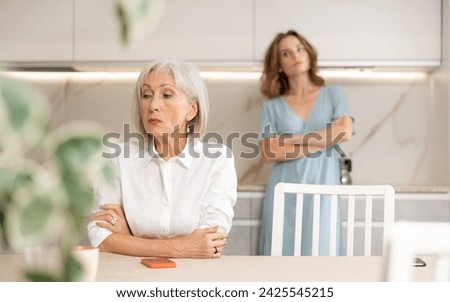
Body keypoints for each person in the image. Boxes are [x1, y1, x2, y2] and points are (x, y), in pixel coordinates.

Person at [87, 58, 237, 259]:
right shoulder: (118, 157)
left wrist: (129, 238)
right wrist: (181, 248)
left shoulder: (218, 159)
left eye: (167, 95)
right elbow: (101, 237)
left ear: (192, 110)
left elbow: (211, 241)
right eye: (146, 95)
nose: (153, 105)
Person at [258, 30, 353, 256]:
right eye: (286, 53)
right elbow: (268, 151)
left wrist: (291, 140)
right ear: (279, 64)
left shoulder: (334, 94)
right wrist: (322, 140)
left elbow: (344, 132)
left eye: (299, 49)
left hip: (323, 189)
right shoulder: (271, 106)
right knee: (280, 259)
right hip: (283, 190)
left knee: (322, 257)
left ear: (309, 54)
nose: (295, 56)